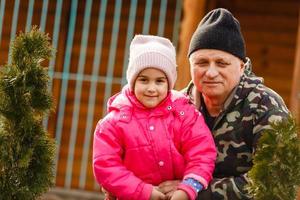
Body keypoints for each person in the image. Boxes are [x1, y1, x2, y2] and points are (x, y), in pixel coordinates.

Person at [157, 8, 290, 200]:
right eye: (202, 62)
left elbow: (277, 181)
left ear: (241, 66)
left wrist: (193, 191)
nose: (211, 72)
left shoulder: (265, 105)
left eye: (221, 63)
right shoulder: (176, 104)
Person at [93, 35, 217, 200]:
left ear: (169, 83)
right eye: (144, 80)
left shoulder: (185, 114)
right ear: (132, 81)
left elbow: (202, 152)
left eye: (159, 81)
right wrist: (142, 191)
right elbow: (106, 165)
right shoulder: (114, 123)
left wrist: (188, 188)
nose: (151, 88)